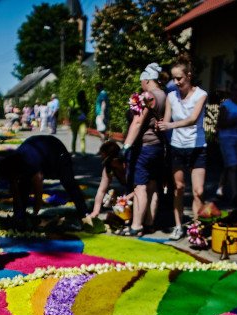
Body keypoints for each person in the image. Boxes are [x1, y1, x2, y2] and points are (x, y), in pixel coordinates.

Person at [157, 55, 208, 241]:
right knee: (178, 188)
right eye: (173, 78)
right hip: (177, 147)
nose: (176, 82)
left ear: (188, 75)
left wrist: (170, 126)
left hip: (197, 147)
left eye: (179, 78)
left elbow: (194, 119)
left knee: (199, 191)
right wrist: (161, 124)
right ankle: (179, 226)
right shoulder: (171, 96)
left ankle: (197, 228)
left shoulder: (201, 95)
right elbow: (166, 119)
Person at [118, 63, 167, 236]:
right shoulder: (164, 94)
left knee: (140, 187)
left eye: (142, 82)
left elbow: (138, 122)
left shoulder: (149, 95)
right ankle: (149, 223)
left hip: (144, 147)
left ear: (146, 80)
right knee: (153, 185)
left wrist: (126, 146)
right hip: (158, 147)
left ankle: (136, 225)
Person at [0, 135, 89, 228]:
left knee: (68, 181)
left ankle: (84, 212)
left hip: (58, 152)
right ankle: (20, 215)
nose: (13, 179)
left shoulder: (29, 162)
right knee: (23, 185)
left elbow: (38, 191)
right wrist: (18, 213)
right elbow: (14, 188)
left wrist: (35, 214)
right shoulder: (12, 164)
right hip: (41, 151)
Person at [215, 81, 237, 201]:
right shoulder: (227, 105)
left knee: (229, 165)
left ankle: (220, 188)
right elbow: (221, 123)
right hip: (226, 137)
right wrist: (236, 120)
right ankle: (235, 194)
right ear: (231, 91)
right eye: (235, 90)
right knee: (233, 165)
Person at [89, 140, 128, 219]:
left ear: (116, 158)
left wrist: (123, 199)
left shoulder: (129, 164)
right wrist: (96, 211)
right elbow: (101, 190)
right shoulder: (109, 167)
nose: (107, 164)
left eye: (108, 161)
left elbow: (140, 189)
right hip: (129, 192)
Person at [69, 90, 89, 154]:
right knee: (75, 137)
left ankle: (83, 152)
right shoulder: (74, 101)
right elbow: (70, 111)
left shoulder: (85, 102)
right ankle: (73, 150)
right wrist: (77, 108)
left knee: (82, 137)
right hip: (75, 121)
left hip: (81, 121)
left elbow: (87, 111)